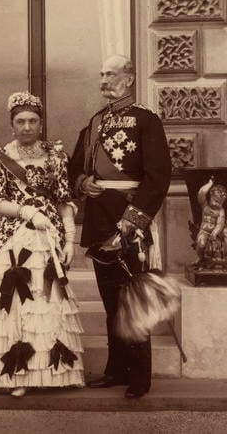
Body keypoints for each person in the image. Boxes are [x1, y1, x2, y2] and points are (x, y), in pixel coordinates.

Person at [68, 55, 171, 399]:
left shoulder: (146, 120)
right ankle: (116, 369)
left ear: (128, 78)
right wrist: (83, 183)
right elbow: (73, 170)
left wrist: (132, 222)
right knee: (110, 301)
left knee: (134, 300)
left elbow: (158, 177)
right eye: (100, 73)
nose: (103, 80)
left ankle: (140, 376)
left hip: (130, 220)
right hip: (99, 220)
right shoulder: (95, 122)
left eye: (110, 73)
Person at [0, 91, 85, 397]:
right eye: (20, 121)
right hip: (14, 235)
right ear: (12, 125)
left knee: (48, 302)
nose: (26, 126)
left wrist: (71, 238)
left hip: (48, 236)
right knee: (16, 302)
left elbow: (64, 201)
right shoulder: (1, 158)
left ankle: (52, 374)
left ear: (40, 124)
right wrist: (26, 211)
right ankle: (17, 374)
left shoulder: (56, 157)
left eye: (32, 121)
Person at [194, 178, 227, 268]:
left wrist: (215, 232)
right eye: (215, 200)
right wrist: (209, 184)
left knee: (226, 234)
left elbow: (220, 223)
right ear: (210, 197)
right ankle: (200, 258)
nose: (217, 204)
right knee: (201, 244)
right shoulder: (205, 206)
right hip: (204, 231)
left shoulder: (221, 211)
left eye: (220, 202)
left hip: (215, 233)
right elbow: (201, 194)